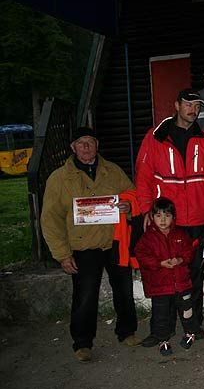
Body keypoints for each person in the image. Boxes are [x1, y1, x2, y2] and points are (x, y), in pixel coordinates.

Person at [41, 127, 140, 362]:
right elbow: (50, 219)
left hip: (114, 242)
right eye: (81, 143)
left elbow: (132, 194)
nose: (86, 147)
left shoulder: (112, 171)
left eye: (90, 142)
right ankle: (82, 343)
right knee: (84, 296)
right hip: (82, 246)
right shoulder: (59, 178)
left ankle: (127, 331)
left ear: (97, 145)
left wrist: (128, 207)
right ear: (73, 147)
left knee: (124, 290)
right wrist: (62, 254)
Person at [135, 88, 204, 339]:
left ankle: (193, 326)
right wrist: (146, 210)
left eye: (197, 106)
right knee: (162, 276)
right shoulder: (155, 137)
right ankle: (162, 330)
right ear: (176, 106)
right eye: (188, 104)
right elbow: (143, 177)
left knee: (193, 275)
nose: (193, 110)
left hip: (197, 220)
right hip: (165, 222)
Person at [134, 198, 197, 356]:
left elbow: (189, 251)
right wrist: (159, 263)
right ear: (152, 217)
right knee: (161, 315)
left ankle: (190, 332)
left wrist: (180, 259)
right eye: (158, 216)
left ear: (173, 217)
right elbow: (141, 255)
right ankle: (163, 339)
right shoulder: (148, 238)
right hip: (160, 285)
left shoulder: (180, 234)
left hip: (181, 283)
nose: (163, 220)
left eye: (167, 216)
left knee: (187, 311)